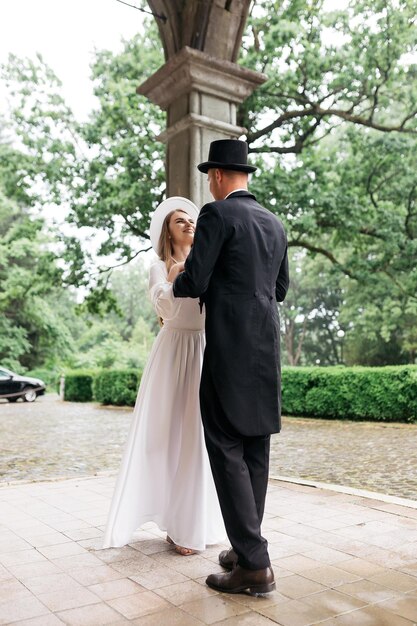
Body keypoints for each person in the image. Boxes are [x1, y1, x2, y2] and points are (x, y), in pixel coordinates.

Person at [172, 139, 289, 593]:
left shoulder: (217, 214)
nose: (209, 184)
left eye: (209, 177)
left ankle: (254, 565)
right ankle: (244, 549)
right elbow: (278, 289)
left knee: (225, 448)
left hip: (228, 350)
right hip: (266, 352)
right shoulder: (275, 223)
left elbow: (195, 279)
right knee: (255, 450)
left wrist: (179, 280)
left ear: (218, 176)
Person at [103, 196, 225, 555]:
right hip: (174, 353)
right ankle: (171, 522)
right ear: (167, 232)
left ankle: (192, 525)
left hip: (204, 351)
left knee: (201, 439)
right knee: (169, 437)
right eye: (179, 221)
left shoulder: (211, 263)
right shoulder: (158, 266)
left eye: (192, 219)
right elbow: (165, 307)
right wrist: (175, 276)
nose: (189, 224)